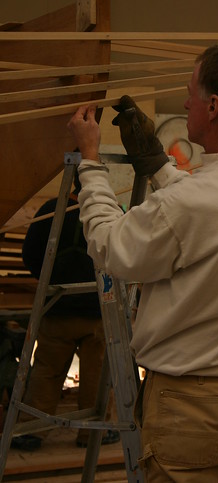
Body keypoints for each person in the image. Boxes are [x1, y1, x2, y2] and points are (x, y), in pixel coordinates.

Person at [68, 43, 218, 482]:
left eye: (190, 92)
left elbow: (110, 246)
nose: (184, 101)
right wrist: (158, 163)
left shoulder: (189, 204)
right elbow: (208, 206)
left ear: (213, 107)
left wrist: (91, 163)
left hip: (190, 410)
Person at [11, 171, 120, 451]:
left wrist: (50, 280)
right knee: (97, 375)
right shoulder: (111, 212)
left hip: (56, 306)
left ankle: (32, 431)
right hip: (97, 311)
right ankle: (93, 434)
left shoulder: (52, 209)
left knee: (46, 370)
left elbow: (29, 255)